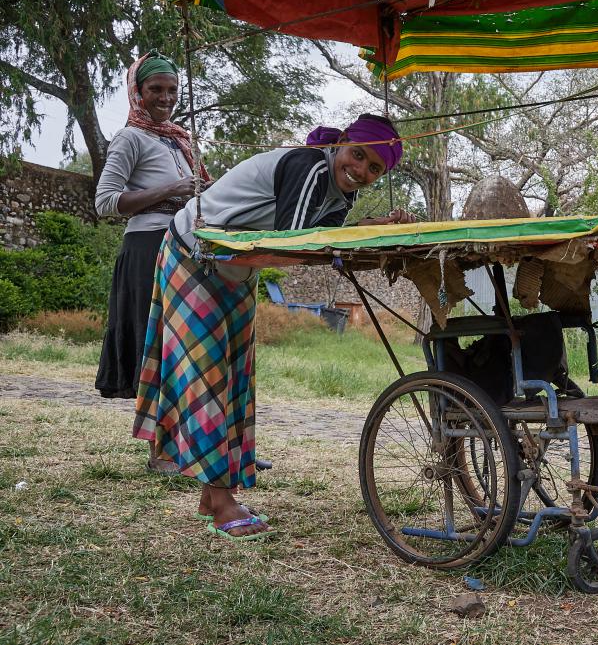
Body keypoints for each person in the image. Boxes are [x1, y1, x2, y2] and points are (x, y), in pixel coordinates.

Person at [132, 114, 413, 539]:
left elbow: (321, 247)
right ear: (340, 143)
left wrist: (366, 233)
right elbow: (296, 245)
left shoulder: (340, 192)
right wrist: (366, 234)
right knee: (208, 375)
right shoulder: (312, 166)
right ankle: (223, 501)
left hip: (236, 266)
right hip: (195, 255)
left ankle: (213, 494)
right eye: (358, 155)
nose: (361, 172)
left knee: (234, 376)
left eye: (375, 169)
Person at [94, 50, 209, 475]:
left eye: (172, 90)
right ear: (137, 93)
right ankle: (160, 452)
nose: (165, 98)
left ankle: (199, 446)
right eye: (155, 89)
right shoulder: (130, 138)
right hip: (148, 247)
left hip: (185, 243)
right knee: (158, 345)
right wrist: (174, 187)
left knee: (189, 346)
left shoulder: (178, 138)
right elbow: (106, 202)